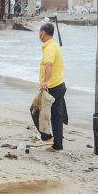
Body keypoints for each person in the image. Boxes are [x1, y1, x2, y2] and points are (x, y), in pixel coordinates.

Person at [31, 22, 68, 150]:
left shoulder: (50, 47)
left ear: (42, 33)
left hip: (51, 86)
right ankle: (57, 145)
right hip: (60, 84)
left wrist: (45, 82)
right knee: (57, 115)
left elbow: (49, 64)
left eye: (39, 33)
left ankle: (47, 137)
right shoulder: (55, 45)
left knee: (35, 110)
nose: (39, 35)